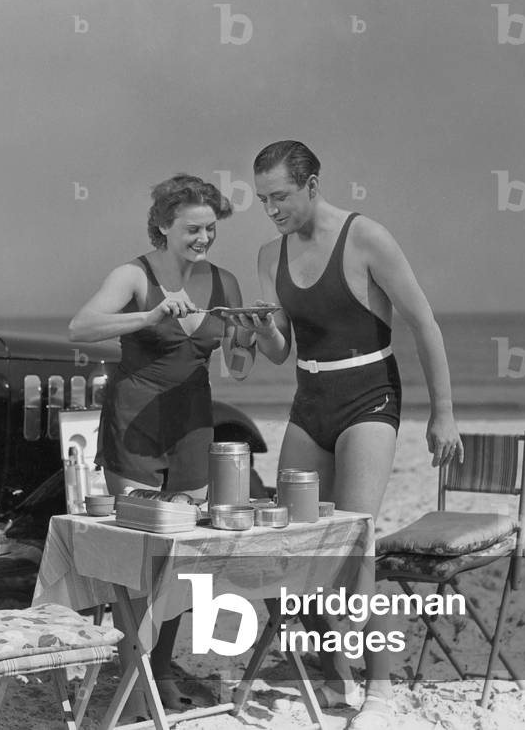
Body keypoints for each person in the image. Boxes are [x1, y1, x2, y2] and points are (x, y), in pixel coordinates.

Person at [234, 140, 463, 729]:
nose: (272, 210)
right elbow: (281, 350)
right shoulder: (268, 255)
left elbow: (424, 322)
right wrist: (259, 330)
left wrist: (443, 412)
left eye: (281, 196)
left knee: (356, 542)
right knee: (296, 543)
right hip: (309, 399)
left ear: (312, 185)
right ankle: (337, 672)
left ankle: (380, 692)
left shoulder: (366, 238)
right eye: (263, 199)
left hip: (369, 395)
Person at [69, 173, 254, 713]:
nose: (204, 238)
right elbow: (81, 327)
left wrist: (253, 332)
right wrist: (148, 316)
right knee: (143, 557)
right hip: (135, 426)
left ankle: (161, 668)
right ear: (164, 227)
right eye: (193, 228)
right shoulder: (134, 275)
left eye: (210, 228)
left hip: (194, 426)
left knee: (184, 556)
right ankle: (136, 675)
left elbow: (240, 365)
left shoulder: (225, 282)